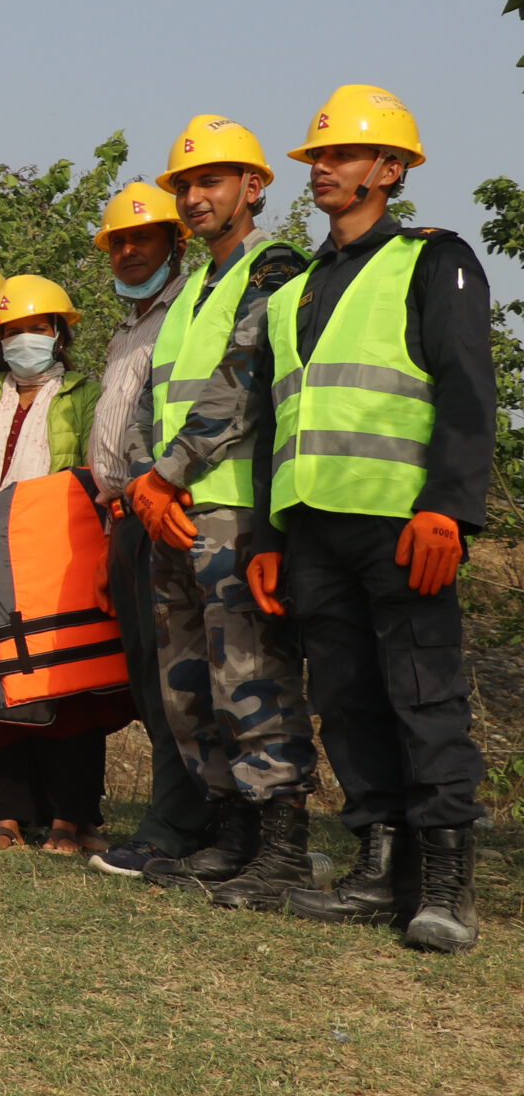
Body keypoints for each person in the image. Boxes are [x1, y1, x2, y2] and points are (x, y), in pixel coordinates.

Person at [267, 86, 496, 952]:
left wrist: (449, 509)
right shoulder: (295, 289)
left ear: (390, 171)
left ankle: (445, 886)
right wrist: (268, 535)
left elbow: (471, 392)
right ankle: (376, 868)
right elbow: (279, 420)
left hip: (403, 522)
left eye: (343, 155)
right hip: (313, 528)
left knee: (423, 694)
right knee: (347, 699)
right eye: (317, 157)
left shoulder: (434, 260)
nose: (323, 167)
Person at [122, 127, 320, 908]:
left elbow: (241, 380)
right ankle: (228, 832)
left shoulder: (274, 268)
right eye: (184, 184)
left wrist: (165, 478)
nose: (195, 196)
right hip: (169, 511)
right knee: (189, 683)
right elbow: (150, 397)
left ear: (255, 186)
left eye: (212, 180)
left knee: (252, 673)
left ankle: (282, 849)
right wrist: (145, 479)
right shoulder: (190, 290)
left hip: (231, 507)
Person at [0, 275, 122, 854]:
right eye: (11, 331)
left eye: (35, 328)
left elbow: (95, 470)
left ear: (59, 334)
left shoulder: (84, 394)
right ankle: (4, 813)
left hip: (54, 557)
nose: (22, 340)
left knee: (65, 685)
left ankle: (72, 818)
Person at [80, 184, 212, 880]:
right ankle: (174, 810)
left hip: (169, 507)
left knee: (179, 674)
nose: (129, 252)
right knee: (146, 677)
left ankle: (181, 819)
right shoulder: (127, 328)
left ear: (175, 245)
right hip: (123, 516)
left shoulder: (185, 314)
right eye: (119, 242)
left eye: (144, 239)